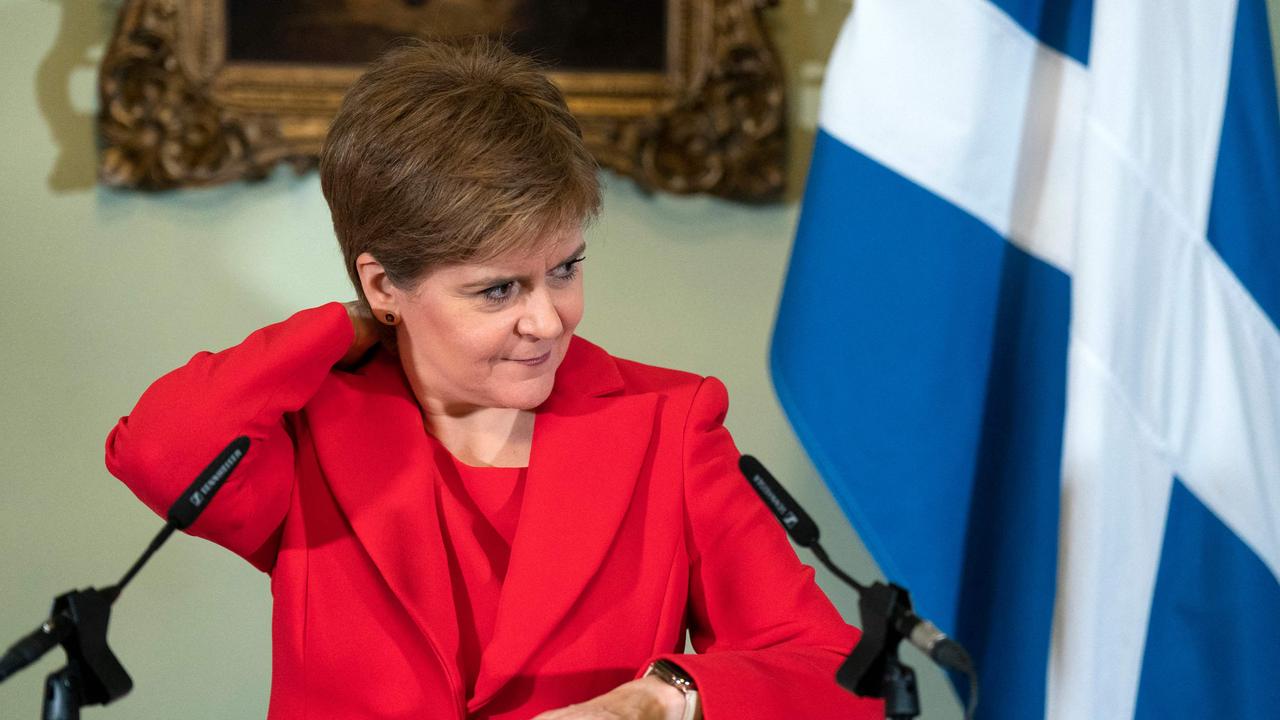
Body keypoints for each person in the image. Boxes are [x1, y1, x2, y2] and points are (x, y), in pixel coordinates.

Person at [105, 39, 884, 720]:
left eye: (566, 269)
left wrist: (665, 697)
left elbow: (834, 674)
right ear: (384, 286)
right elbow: (162, 453)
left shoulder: (668, 424)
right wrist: (350, 325)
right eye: (498, 289)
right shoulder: (310, 426)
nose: (548, 320)